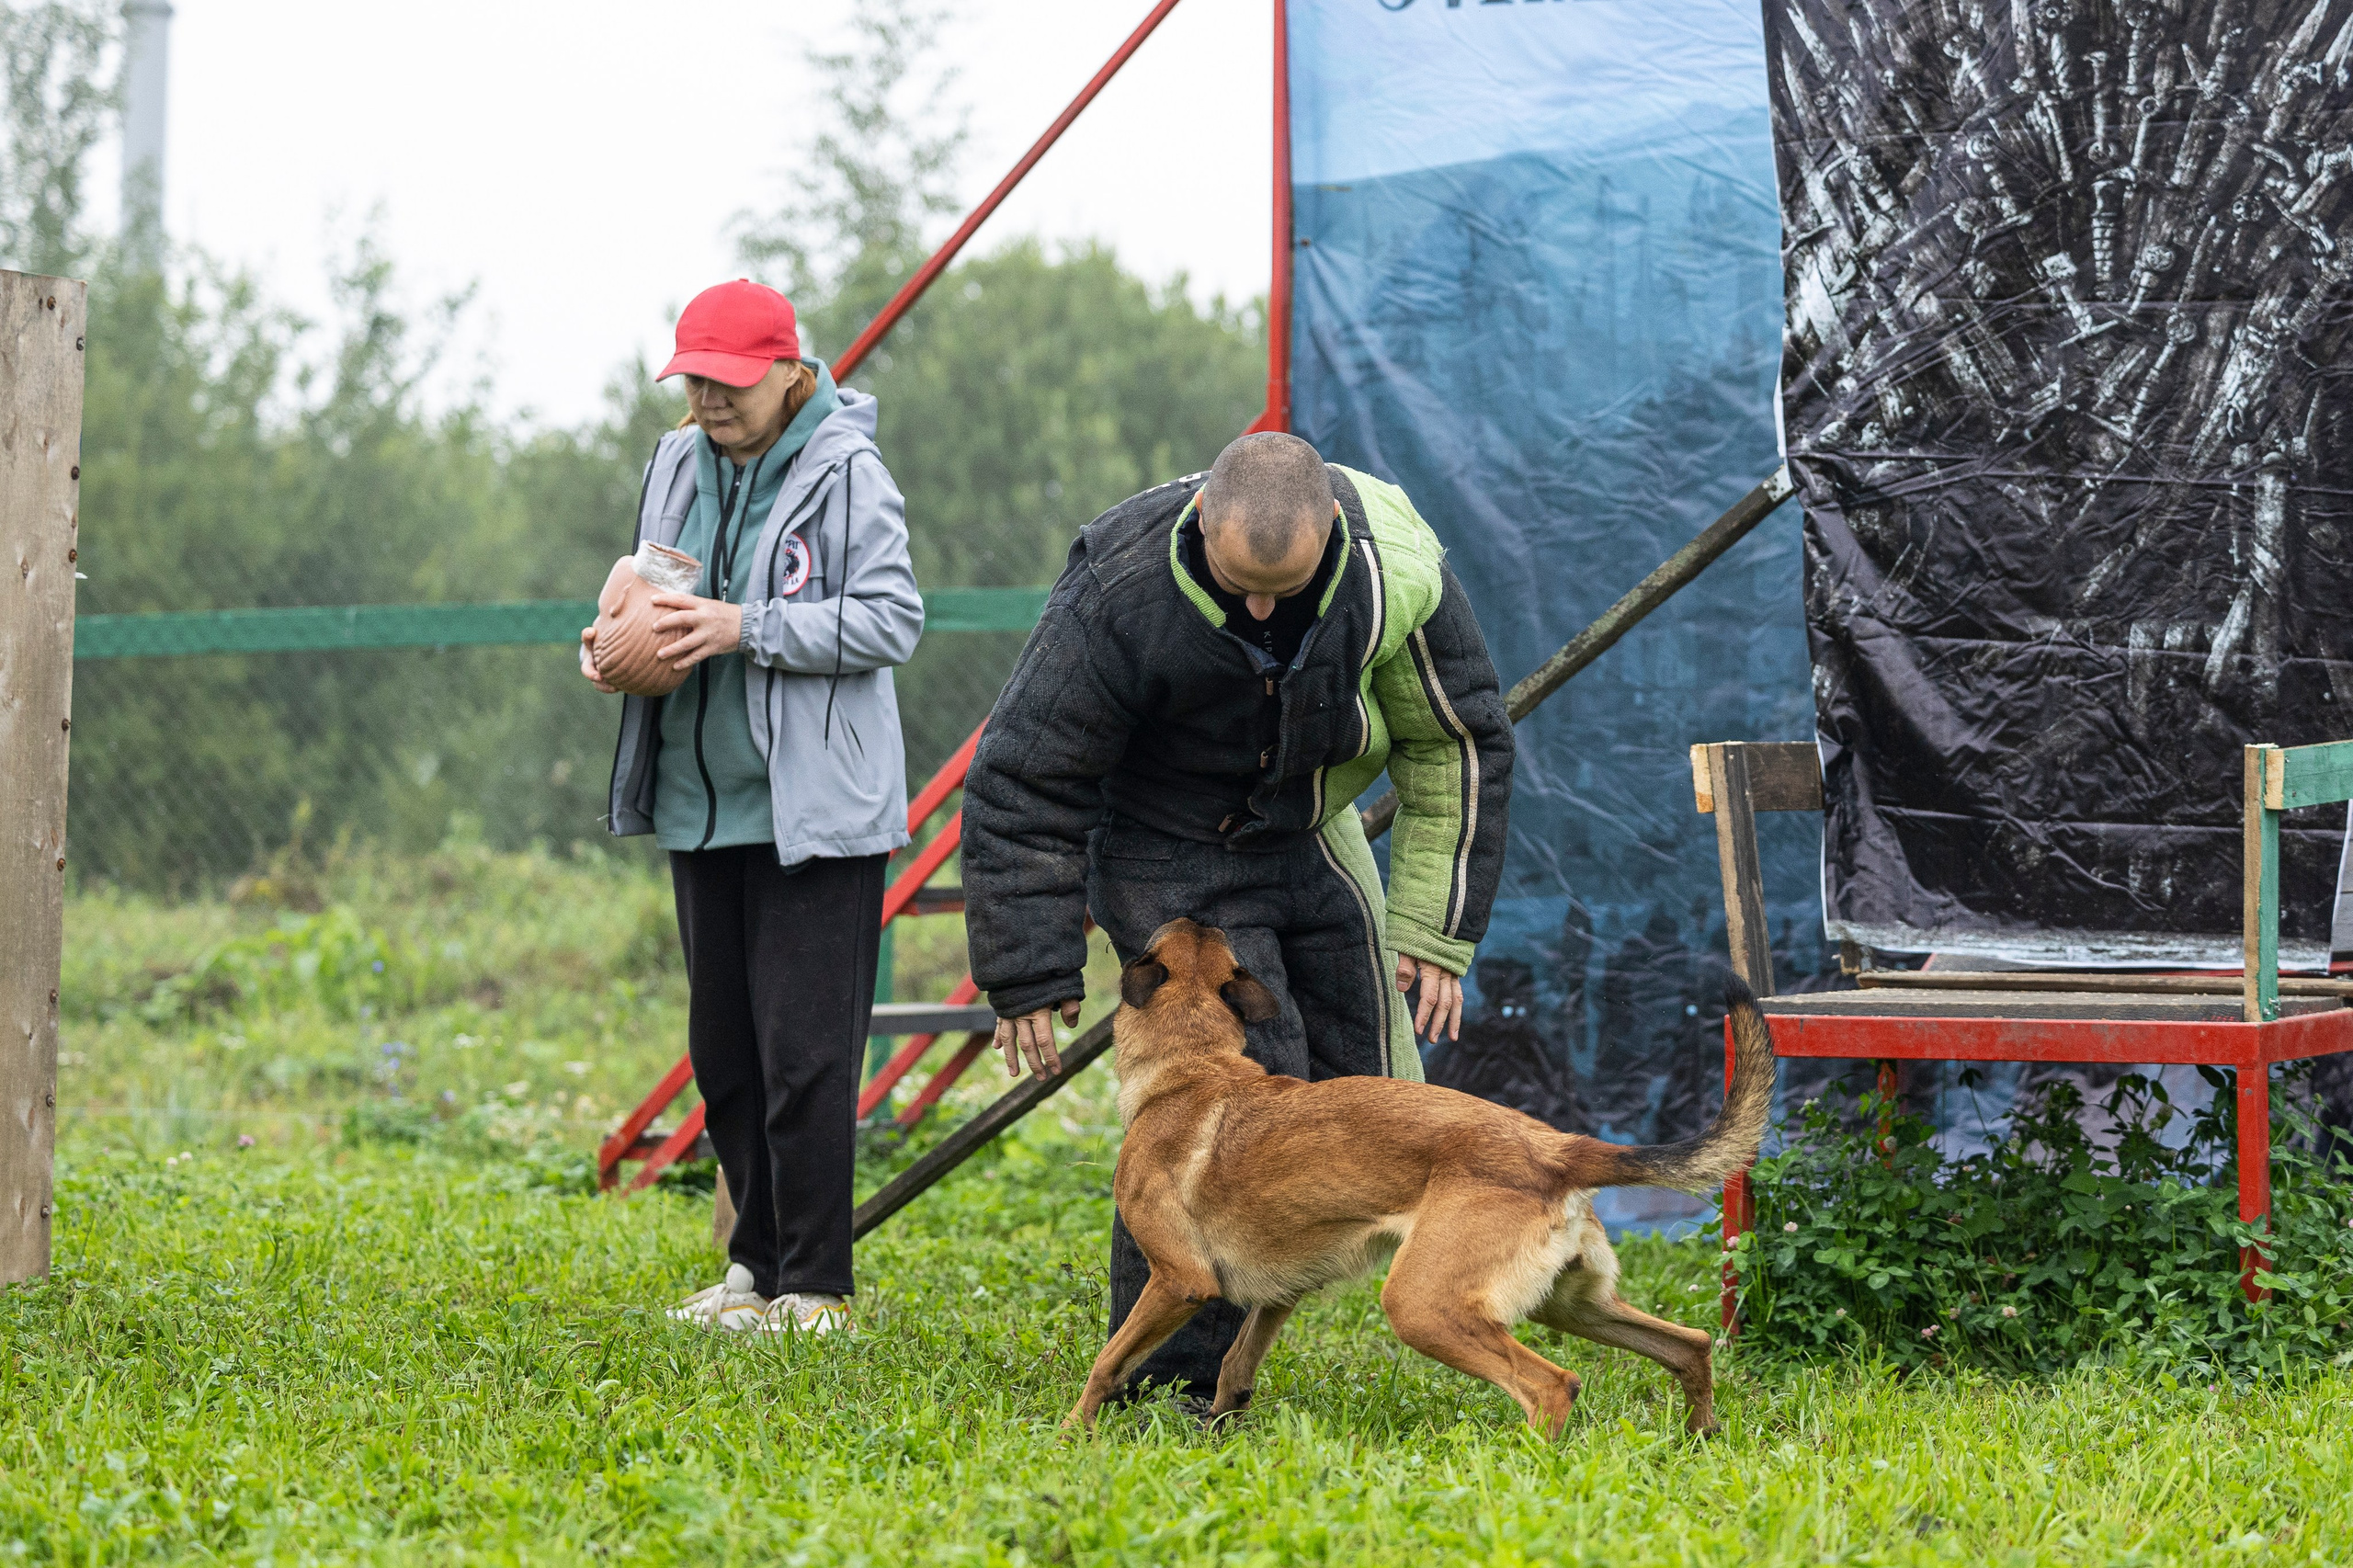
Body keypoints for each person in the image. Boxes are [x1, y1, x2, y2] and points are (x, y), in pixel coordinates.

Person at [961, 431, 1514, 1400]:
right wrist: (1027, 971)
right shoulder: (1119, 587)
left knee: (1359, 1076)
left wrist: (1432, 926)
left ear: (1332, 529)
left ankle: (1446, 1297)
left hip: (1302, 826)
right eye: (1240, 582)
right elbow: (1025, 778)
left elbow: (1455, 739)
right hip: (1158, 839)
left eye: (1287, 587)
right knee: (1241, 1098)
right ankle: (1169, 1385)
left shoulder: (1396, 565)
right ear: (1201, 519)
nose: (1261, 607)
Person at [581, 279, 922, 1335]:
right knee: (726, 1049)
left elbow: (891, 620)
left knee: (805, 1054)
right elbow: (644, 583)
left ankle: (816, 1288)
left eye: (729, 383)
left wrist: (746, 627)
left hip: (815, 812)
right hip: (701, 797)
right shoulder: (678, 458)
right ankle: (752, 1270)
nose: (711, 400)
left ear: (788, 368)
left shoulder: (850, 470)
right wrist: (609, 644)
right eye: (696, 380)